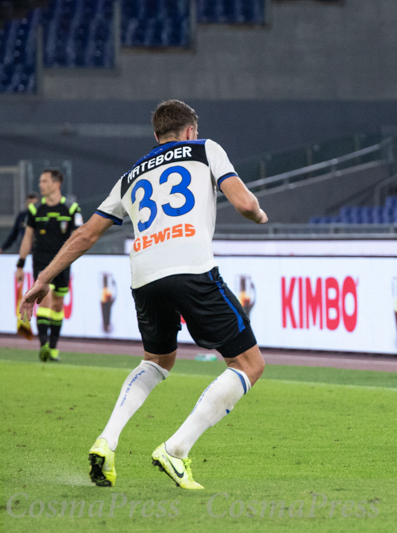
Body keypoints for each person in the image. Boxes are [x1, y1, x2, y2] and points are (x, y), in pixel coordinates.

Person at [19, 100, 269, 490]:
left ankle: (107, 439)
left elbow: (85, 236)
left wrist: (42, 281)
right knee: (249, 364)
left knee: (157, 360)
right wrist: (258, 214)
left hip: (144, 277)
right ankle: (176, 449)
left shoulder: (130, 176)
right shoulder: (206, 149)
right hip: (191, 269)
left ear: (156, 136)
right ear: (190, 131)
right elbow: (244, 202)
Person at [15, 171, 81, 362]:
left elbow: (78, 235)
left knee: (58, 304)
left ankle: (53, 348)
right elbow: (27, 237)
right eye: (40, 181)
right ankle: (43, 345)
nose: (41, 185)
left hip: (62, 262)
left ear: (56, 183)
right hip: (41, 261)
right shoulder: (35, 210)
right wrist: (20, 264)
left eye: (44, 181)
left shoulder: (72, 209)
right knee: (45, 300)